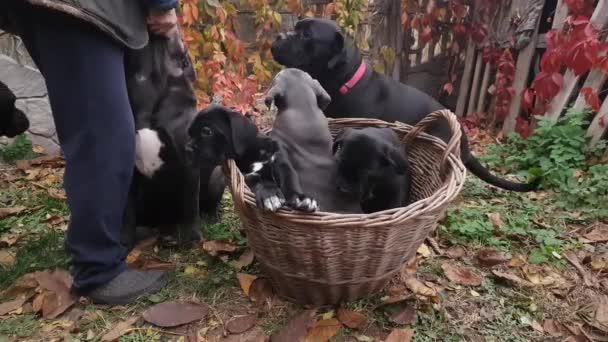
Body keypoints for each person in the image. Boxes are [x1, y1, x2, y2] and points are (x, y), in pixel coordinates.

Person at [0, 0, 181, 304]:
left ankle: (114, 234)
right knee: (102, 134)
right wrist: (162, 3)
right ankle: (98, 268)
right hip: (81, 8)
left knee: (101, 125)